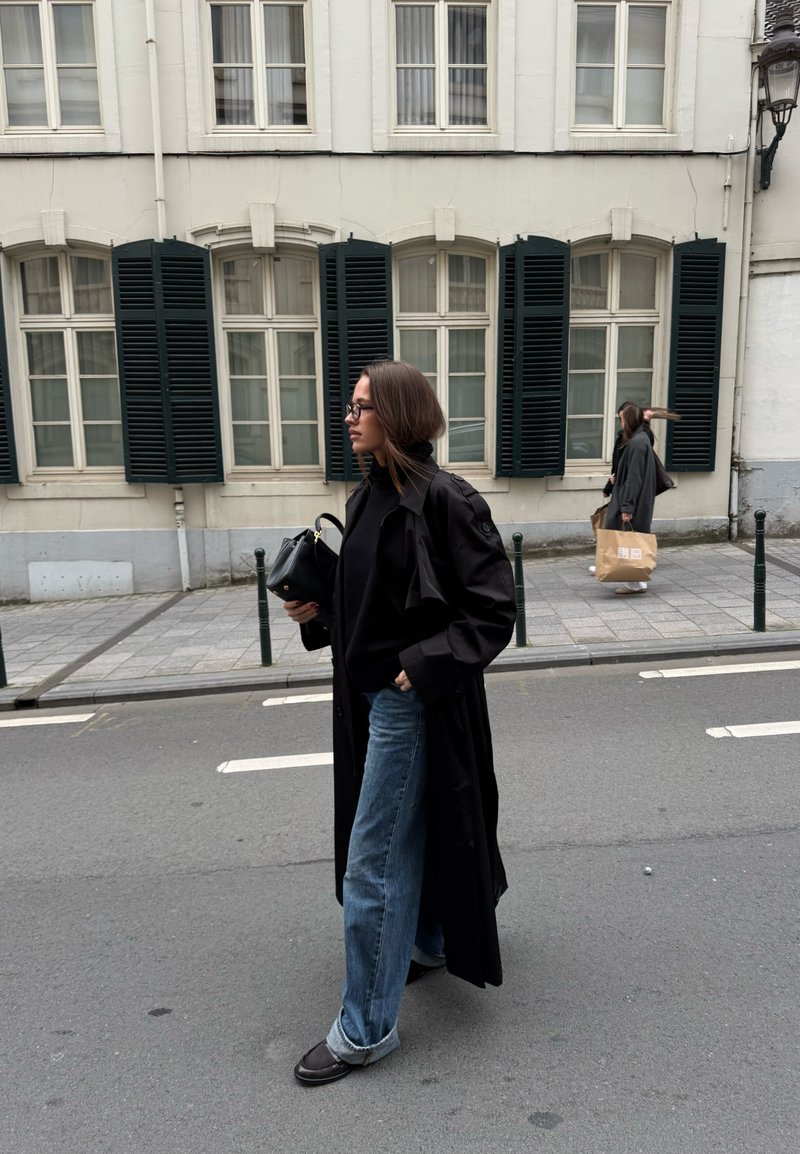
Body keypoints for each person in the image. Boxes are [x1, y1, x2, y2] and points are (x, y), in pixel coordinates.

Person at [284, 359, 516, 1086]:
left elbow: (492, 610)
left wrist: (422, 666)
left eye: (361, 406)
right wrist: (318, 611)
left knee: (372, 863)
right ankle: (426, 942)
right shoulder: (367, 499)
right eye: (348, 405)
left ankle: (364, 1029)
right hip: (364, 701)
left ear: (399, 414)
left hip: (408, 706)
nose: (348, 417)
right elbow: (372, 606)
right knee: (403, 840)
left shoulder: (447, 500)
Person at [602, 402, 657, 595]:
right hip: (638, 498)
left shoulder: (637, 442)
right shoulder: (640, 439)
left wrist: (627, 507)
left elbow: (634, 477)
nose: (621, 423)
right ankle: (637, 579)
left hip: (634, 499)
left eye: (622, 419)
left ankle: (636, 581)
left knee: (631, 538)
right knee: (635, 537)